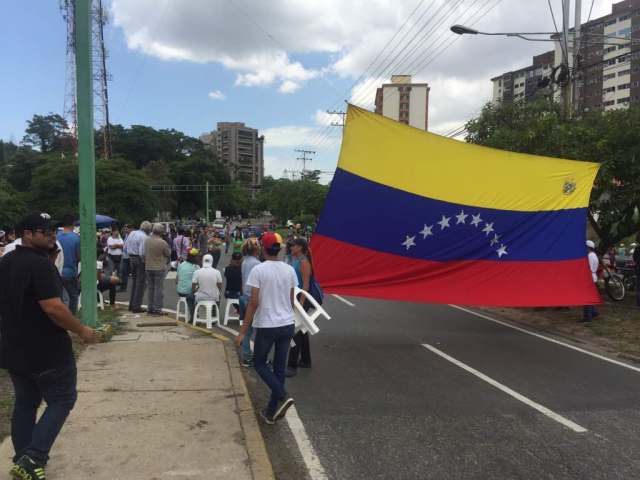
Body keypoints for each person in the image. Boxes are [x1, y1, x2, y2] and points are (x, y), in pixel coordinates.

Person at [0, 212, 97, 480]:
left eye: (53, 231)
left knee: (26, 403)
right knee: (63, 398)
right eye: (45, 231)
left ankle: (23, 458)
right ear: (27, 234)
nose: (52, 235)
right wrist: (81, 330)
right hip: (46, 350)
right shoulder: (40, 266)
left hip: (13, 347)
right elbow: (53, 308)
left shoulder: (6, 261)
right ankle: (34, 458)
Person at [235, 232, 297, 425]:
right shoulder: (289, 270)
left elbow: (253, 303)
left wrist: (243, 331)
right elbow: (291, 299)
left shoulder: (259, 271)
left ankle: (282, 394)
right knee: (278, 368)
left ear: (263, 248)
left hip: (267, 325)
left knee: (259, 363)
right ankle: (271, 411)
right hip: (286, 324)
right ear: (279, 249)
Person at [287, 237, 314, 377]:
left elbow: (306, 284)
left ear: (300, 248)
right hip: (297, 297)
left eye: (293, 246)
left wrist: (301, 302)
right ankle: (305, 359)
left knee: (296, 330)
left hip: (302, 298)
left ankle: (291, 365)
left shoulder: (304, 262)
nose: (291, 247)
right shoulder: (295, 260)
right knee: (302, 329)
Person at [239, 238, 262, 367]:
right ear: (255, 249)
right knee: (258, 329)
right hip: (252, 298)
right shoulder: (257, 264)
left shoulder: (245, 261)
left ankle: (246, 356)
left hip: (244, 296)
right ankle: (256, 357)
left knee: (247, 329)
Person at [145, 223, 171, 316]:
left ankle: (150, 307)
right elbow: (168, 253)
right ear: (161, 232)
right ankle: (157, 309)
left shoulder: (147, 240)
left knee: (151, 288)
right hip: (159, 267)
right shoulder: (162, 242)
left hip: (148, 266)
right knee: (158, 289)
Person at [125, 221, 152, 313]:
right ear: (148, 230)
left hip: (131, 257)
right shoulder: (144, 237)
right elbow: (142, 252)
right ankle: (136, 306)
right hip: (139, 259)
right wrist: (145, 262)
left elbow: (125, 246)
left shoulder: (132, 233)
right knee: (140, 283)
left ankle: (132, 304)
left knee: (134, 282)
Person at [57, 214, 81, 314]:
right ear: (73, 224)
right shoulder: (76, 238)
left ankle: (60, 317)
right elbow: (79, 257)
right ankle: (71, 317)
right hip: (70, 271)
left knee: (59, 297)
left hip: (57, 271)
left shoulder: (56, 237)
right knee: (73, 295)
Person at [177, 249, 200, 320]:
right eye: (197, 256)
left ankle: (195, 313)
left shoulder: (181, 264)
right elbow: (199, 282)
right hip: (189, 292)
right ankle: (194, 315)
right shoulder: (196, 267)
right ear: (194, 257)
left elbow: (176, 280)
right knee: (199, 293)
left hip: (180, 291)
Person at [581, 240, 600, 323]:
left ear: (588, 247)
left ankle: (587, 317)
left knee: (586, 298)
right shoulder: (594, 255)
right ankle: (594, 312)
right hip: (593, 277)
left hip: (589, 278)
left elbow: (586, 267)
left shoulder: (589, 256)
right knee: (589, 297)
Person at [633, 233, 640, 307]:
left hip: (638, 269)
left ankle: (638, 303)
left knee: (638, 286)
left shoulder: (637, 249)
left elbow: (634, 258)